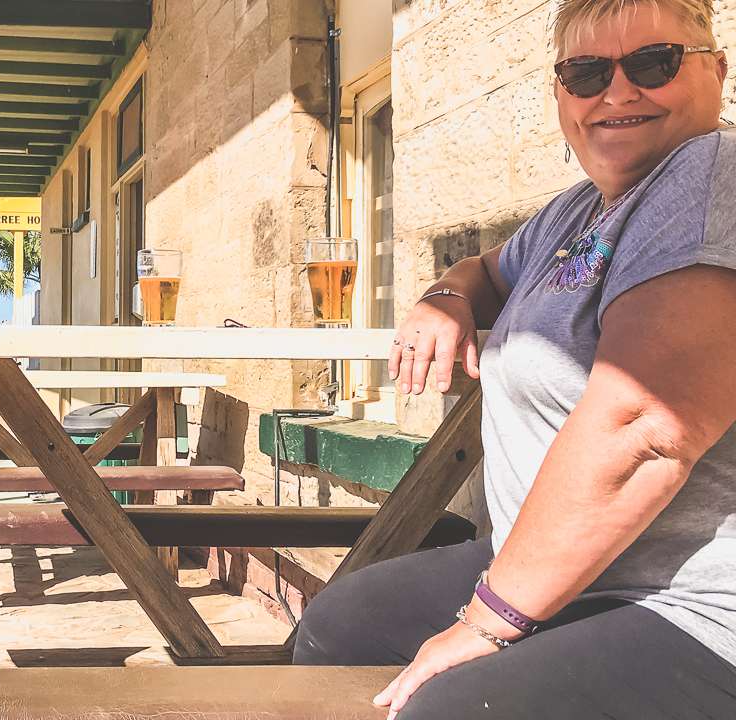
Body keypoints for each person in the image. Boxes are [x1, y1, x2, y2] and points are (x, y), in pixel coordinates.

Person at [292, 0, 736, 717]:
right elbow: (486, 272)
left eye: (653, 63)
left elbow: (645, 427)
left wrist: (486, 623)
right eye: (586, 73)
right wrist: (444, 299)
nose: (618, 92)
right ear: (561, 92)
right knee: (342, 626)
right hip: (573, 572)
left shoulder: (711, 179)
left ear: (715, 70)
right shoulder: (579, 210)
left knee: (450, 709)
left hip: (695, 601)